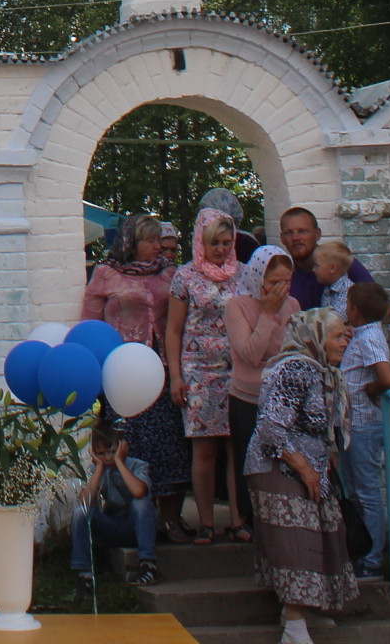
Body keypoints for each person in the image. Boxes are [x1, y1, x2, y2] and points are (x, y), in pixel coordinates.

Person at [244, 308, 357, 644]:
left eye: (344, 335)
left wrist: (326, 458)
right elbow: (270, 429)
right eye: (337, 335)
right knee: (296, 545)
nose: (344, 342)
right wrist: (305, 468)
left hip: (308, 468)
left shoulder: (323, 372)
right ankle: (294, 629)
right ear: (315, 336)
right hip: (279, 467)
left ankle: (297, 614)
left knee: (316, 540)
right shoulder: (296, 369)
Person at [82, 213, 188, 534]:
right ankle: (136, 522)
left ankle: (171, 519)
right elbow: (91, 324)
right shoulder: (105, 273)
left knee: (170, 447)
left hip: (162, 371)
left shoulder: (170, 275)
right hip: (122, 376)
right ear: (131, 243)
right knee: (132, 446)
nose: (159, 247)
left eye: (160, 241)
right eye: (151, 241)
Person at [165, 208, 243, 543]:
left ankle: (239, 520)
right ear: (201, 240)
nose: (221, 249)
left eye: (227, 242)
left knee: (235, 446)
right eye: (215, 242)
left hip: (237, 369)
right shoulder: (185, 276)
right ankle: (207, 522)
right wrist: (176, 377)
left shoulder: (242, 274)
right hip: (198, 371)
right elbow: (173, 329)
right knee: (204, 450)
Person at [224, 246, 295, 545]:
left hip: (282, 398)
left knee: (282, 463)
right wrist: (266, 314)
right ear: (258, 277)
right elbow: (251, 354)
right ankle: (246, 521)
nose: (281, 289)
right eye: (274, 282)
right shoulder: (237, 306)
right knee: (247, 461)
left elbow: (294, 349)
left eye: (286, 281)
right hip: (247, 396)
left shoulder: (292, 305)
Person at [336, 280, 390, 580]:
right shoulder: (360, 334)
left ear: (356, 311)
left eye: (347, 305)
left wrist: (368, 389)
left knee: (368, 493)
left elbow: (387, 378)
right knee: (357, 492)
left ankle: (372, 559)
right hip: (352, 426)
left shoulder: (371, 336)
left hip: (363, 426)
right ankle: (360, 551)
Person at [68, 417, 160, 589]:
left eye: (112, 451)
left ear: (122, 446)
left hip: (137, 525)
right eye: (101, 453)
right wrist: (99, 468)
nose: (108, 457)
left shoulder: (138, 466)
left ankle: (148, 566)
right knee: (80, 512)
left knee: (140, 503)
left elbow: (139, 491)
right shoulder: (96, 470)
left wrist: (120, 461)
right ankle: (85, 575)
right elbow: (86, 501)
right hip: (113, 525)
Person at [277, 207, 373, 313]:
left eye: (302, 231)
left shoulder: (342, 263)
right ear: (282, 238)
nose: (295, 238)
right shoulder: (282, 276)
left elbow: (383, 309)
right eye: (289, 233)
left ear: (317, 234)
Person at [307, 239, 354, 316]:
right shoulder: (327, 289)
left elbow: (337, 318)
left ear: (332, 268)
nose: (313, 270)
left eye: (317, 266)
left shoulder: (348, 291)